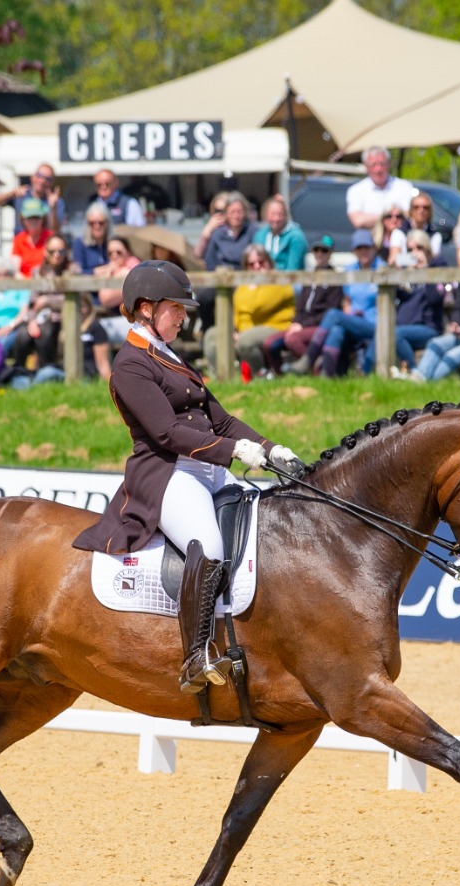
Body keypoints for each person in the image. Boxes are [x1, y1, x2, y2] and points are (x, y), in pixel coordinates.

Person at [73, 261, 299, 694]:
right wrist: (233, 453)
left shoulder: (171, 356)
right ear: (145, 309)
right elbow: (166, 432)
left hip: (208, 468)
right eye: (175, 307)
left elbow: (222, 420)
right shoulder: (131, 365)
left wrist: (270, 449)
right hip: (166, 473)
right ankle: (196, 656)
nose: (183, 316)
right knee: (210, 546)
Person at [204, 245, 294, 375]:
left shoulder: (279, 282)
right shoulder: (245, 286)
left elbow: (257, 306)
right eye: (251, 264)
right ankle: (221, 378)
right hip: (245, 330)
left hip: (276, 327)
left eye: (261, 262)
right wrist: (234, 330)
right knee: (212, 335)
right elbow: (237, 311)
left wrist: (241, 332)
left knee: (245, 340)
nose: (257, 267)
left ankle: (260, 376)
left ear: (269, 262)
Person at [304, 229, 382, 376]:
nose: (363, 251)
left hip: (374, 324)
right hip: (353, 321)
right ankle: (327, 376)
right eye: (359, 248)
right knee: (336, 330)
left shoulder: (382, 269)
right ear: (354, 250)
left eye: (366, 247)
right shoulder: (349, 270)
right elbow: (346, 300)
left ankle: (308, 358)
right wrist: (350, 314)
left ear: (373, 248)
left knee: (333, 315)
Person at [261, 235, 342, 375]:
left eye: (324, 251)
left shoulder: (335, 279)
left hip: (320, 325)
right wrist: (296, 323)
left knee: (292, 339)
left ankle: (315, 370)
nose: (320, 254)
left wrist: (302, 325)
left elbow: (330, 312)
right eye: (317, 250)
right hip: (302, 324)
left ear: (330, 254)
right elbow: (300, 305)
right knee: (269, 343)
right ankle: (281, 376)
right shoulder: (308, 276)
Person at [4, 235, 72, 383]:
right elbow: (31, 302)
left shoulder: (72, 271)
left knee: (45, 333)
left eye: (60, 251)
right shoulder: (38, 272)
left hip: (61, 318)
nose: (56, 255)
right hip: (38, 317)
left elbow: (76, 299)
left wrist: (48, 301)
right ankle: (19, 372)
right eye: (52, 251)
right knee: (23, 334)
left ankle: (46, 373)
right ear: (46, 252)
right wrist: (31, 321)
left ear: (66, 252)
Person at [81, 235, 140, 379]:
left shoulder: (130, 270)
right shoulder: (120, 269)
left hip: (137, 325)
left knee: (96, 328)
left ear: (128, 252)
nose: (114, 256)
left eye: (118, 252)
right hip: (125, 322)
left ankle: (106, 376)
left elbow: (105, 298)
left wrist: (107, 274)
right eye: (110, 253)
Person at [392, 243, 445, 374]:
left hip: (429, 328)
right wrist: (396, 272)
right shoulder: (408, 277)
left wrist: (425, 272)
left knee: (395, 334)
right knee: (388, 333)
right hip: (407, 329)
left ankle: (414, 371)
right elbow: (398, 295)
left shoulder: (435, 271)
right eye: (410, 250)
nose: (415, 253)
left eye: (419, 248)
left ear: (427, 251)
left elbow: (435, 298)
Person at [345, 146, 417, 230]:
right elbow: (358, 220)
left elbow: (411, 215)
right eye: (373, 164)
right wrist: (391, 216)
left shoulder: (404, 186)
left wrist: (371, 217)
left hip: (399, 234)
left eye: (382, 164)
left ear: (389, 164)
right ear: (366, 166)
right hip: (369, 237)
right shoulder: (356, 190)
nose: (378, 169)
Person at [196, 194, 257, 271]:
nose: (236, 215)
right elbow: (209, 260)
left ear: (245, 212)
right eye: (232, 212)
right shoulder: (218, 233)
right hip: (223, 277)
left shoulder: (252, 230)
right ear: (226, 213)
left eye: (240, 212)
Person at [253, 196, 306, 272]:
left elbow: (292, 270)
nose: (276, 219)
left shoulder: (296, 237)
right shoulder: (259, 236)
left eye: (280, 214)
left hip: (288, 281)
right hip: (263, 280)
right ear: (266, 215)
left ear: (286, 215)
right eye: (273, 214)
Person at [11, 197, 55, 276]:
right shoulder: (18, 239)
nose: (33, 221)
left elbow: (57, 264)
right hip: (24, 285)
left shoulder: (51, 237)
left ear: (43, 219)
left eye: (37, 217)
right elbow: (15, 270)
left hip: (47, 282)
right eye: (29, 217)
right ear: (23, 219)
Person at [72, 204, 113, 276]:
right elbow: (77, 272)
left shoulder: (114, 242)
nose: (97, 226)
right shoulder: (79, 243)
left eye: (101, 223)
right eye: (92, 223)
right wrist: (94, 272)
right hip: (88, 285)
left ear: (107, 223)